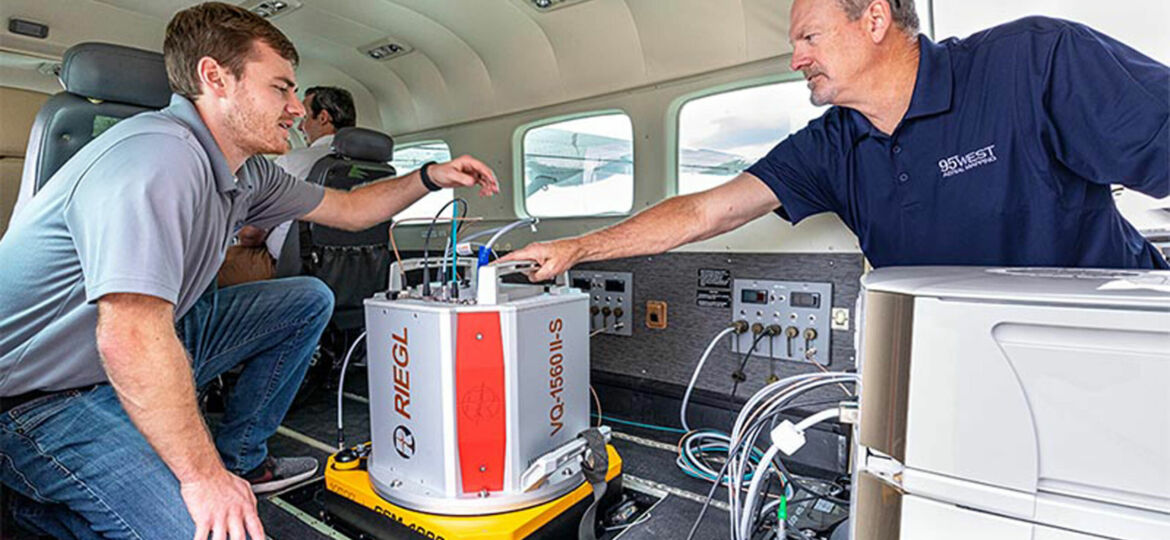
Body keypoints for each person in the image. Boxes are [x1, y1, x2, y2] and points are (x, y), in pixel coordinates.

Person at [0, 3, 497, 539]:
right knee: (205, 529)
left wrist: (430, 176)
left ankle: (243, 459)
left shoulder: (249, 170)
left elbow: (348, 211)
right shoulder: (156, 158)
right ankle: (31, 507)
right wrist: (202, 478)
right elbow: (130, 335)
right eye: (280, 89)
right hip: (41, 395)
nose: (294, 109)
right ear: (215, 78)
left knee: (306, 298)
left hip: (128, 350)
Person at [503, 0, 1169, 280]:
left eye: (809, 37)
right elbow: (709, 209)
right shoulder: (830, 145)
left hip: (1108, 348)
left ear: (875, 17)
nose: (796, 58)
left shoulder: (1034, 61)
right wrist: (578, 247)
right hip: (966, 367)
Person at [216, 86, 357, 286]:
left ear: (323, 117)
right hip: (355, 273)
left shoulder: (293, 162)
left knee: (202, 272)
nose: (300, 128)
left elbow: (250, 235)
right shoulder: (376, 169)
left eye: (305, 118)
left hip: (287, 267)